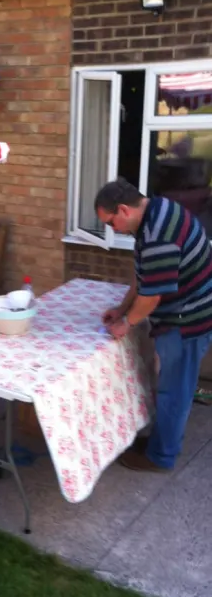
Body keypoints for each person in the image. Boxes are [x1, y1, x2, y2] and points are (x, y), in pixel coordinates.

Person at [95, 177, 212, 472]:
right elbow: (144, 273)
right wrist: (122, 308)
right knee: (171, 386)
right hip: (186, 310)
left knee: (175, 391)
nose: (112, 230)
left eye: (111, 223)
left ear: (123, 209)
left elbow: (152, 296)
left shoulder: (158, 233)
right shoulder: (154, 211)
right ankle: (160, 442)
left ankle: (160, 457)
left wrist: (127, 323)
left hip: (189, 319)